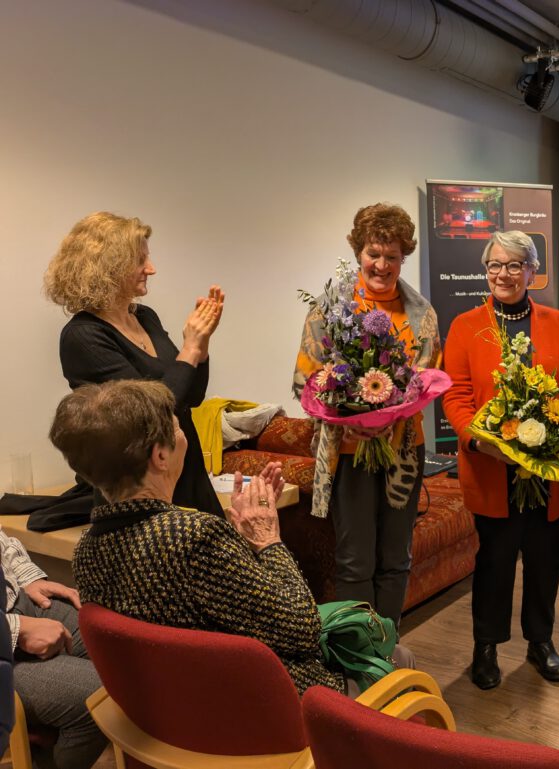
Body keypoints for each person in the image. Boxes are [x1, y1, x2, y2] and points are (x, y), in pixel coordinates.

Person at [53, 379, 346, 696]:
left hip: (169, 712)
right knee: (397, 655)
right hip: (258, 710)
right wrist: (267, 537)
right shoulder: (194, 536)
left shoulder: (88, 550)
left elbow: (197, 607)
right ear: (160, 456)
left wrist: (240, 540)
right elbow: (302, 629)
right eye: (180, 429)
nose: (185, 437)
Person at [442, 230, 559, 690]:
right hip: (492, 469)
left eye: (514, 265)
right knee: (495, 562)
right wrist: (477, 441)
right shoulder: (466, 326)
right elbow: (457, 394)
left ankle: (540, 642)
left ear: (532, 271)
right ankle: (485, 648)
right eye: (495, 265)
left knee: (546, 560)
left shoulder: (558, 322)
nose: (503, 275)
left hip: (549, 470)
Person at [293, 203, 441, 626]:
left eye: (392, 256)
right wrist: (346, 409)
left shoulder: (422, 314)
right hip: (349, 453)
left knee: (396, 557)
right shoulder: (328, 309)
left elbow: (430, 377)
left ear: (402, 258)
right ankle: (360, 653)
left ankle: (387, 648)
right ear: (359, 252)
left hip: (403, 452)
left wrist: (398, 406)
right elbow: (304, 379)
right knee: (355, 560)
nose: (382, 265)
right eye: (374, 254)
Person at [44, 211, 224, 514]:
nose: (151, 269)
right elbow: (148, 415)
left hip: (185, 471)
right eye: (140, 260)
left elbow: (191, 397)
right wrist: (189, 349)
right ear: (109, 268)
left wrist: (201, 345)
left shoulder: (145, 316)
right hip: (139, 491)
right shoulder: (83, 336)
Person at [2, 529, 107, 769]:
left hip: (16, 600)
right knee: (100, 695)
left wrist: (29, 578)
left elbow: (2, 541)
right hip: (6, 631)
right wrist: (16, 629)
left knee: (119, 655)